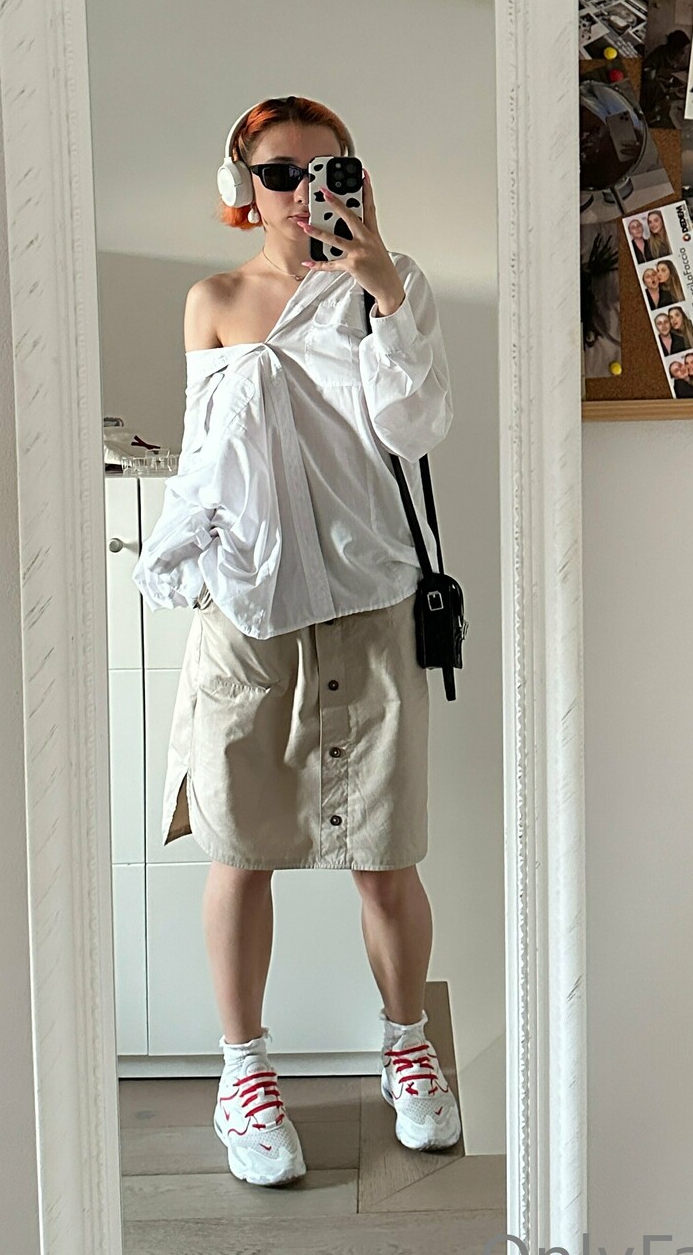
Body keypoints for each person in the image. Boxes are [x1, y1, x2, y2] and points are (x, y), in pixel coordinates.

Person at [133, 96, 463, 1187]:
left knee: (386, 854)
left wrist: (383, 288)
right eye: (280, 173)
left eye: (331, 169)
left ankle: (408, 1048)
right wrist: (183, 563)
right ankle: (244, 1073)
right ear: (244, 188)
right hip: (248, 611)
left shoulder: (389, 286)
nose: (304, 191)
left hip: (368, 601)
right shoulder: (214, 301)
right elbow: (205, 456)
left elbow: (416, 429)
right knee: (239, 852)